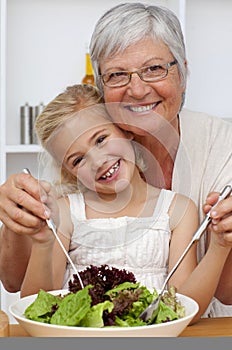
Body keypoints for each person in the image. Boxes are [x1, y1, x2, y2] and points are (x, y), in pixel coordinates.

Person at [0, 2, 232, 317]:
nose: (137, 89)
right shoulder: (67, 208)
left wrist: (222, 243)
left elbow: (190, 303)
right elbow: (27, 295)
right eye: (117, 75)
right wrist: (21, 226)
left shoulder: (203, 175)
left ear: (184, 72)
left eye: (154, 68)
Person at [19, 84, 231, 324]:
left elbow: (184, 309)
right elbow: (36, 309)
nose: (98, 161)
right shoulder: (66, 212)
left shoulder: (177, 209)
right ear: (70, 172)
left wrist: (220, 245)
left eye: (101, 139)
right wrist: (41, 243)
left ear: (126, 130)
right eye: (78, 159)